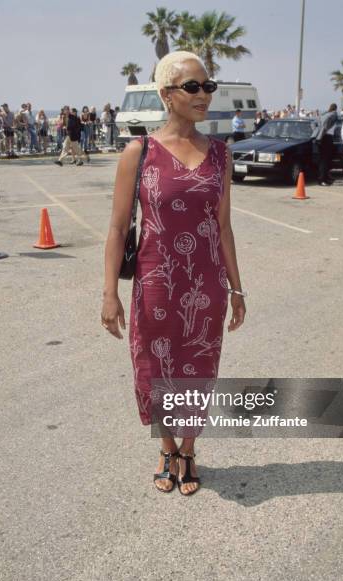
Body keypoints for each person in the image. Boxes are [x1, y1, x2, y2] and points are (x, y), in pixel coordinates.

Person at [101, 50, 246, 497]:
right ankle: (166, 448)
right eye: (193, 87)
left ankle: (188, 449)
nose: (204, 95)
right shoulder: (138, 152)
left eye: (208, 86)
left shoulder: (220, 154)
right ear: (167, 95)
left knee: (198, 368)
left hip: (206, 286)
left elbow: (223, 226)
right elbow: (117, 226)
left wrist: (237, 288)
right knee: (155, 369)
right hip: (155, 286)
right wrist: (109, 294)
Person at [315, 103, 338, 186]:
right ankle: (322, 180)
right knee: (324, 160)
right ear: (335, 109)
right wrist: (321, 135)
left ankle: (325, 178)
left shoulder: (324, 115)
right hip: (326, 138)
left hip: (322, 138)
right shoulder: (333, 116)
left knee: (324, 160)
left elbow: (316, 124)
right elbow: (326, 127)